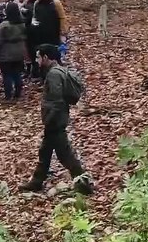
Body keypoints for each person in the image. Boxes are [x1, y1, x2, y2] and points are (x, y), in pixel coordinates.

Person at [20, 44, 93, 194]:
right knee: (45, 152)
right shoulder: (58, 71)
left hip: (55, 122)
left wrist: (49, 120)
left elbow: (56, 101)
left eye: (38, 57)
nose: (36, 60)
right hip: (56, 120)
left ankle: (84, 184)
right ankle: (36, 182)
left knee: (65, 155)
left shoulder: (53, 74)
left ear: (46, 57)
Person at [27, 0, 67, 79]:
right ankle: (43, 76)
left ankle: (58, 75)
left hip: (53, 34)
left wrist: (63, 33)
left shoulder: (55, 3)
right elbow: (34, 16)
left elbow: (62, 18)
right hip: (40, 35)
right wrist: (33, 23)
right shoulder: (36, 3)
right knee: (41, 56)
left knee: (54, 55)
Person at [0, 2, 28, 100]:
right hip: (19, 52)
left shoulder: (4, 25)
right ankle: (18, 93)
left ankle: (8, 95)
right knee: (17, 73)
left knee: (7, 75)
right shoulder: (22, 24)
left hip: (6, 54)